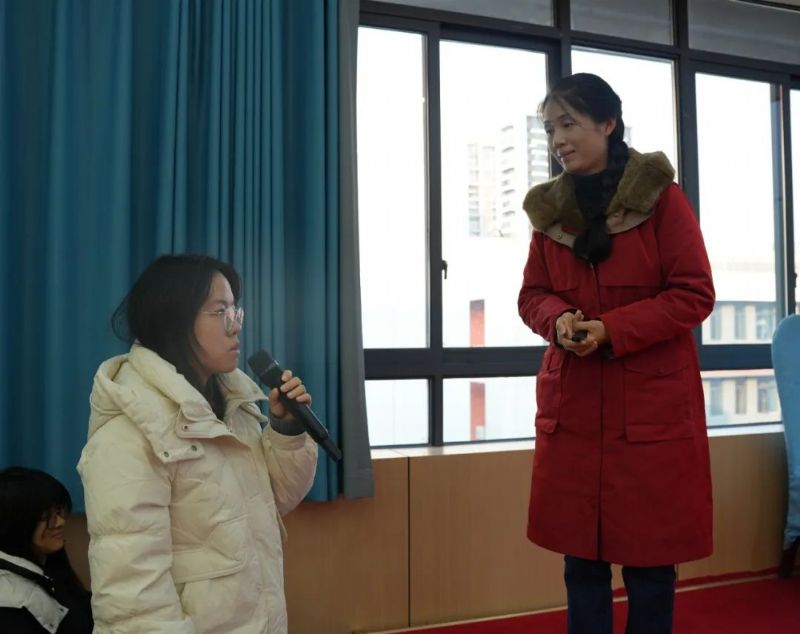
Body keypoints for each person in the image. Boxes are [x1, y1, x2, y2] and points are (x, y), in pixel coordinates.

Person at [518, 73, 715, 633]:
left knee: (650, 566)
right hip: (576, 413)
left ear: (608, 123)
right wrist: (559, 320)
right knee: (581, 564)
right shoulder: (549, 212)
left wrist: (611, 329)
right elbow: (532, 295)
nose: (557, 139)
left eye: (568, 124)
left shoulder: (661, 199)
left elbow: (694, 294)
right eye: (549, 128)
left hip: (649, 413)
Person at [77, 254, 318, 634]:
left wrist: (286, 430)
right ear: (173, 320)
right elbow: (136, 605)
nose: (235, 327)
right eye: (220, 312)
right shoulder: (128, 436)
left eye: (235, 312)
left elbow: (275, 498)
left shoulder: (231, 407)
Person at [0, 466, 93, 633]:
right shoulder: (10, 602)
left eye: (58, 511)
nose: (60, 522)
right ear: (15, 522)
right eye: (46, 516)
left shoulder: (49, 566)